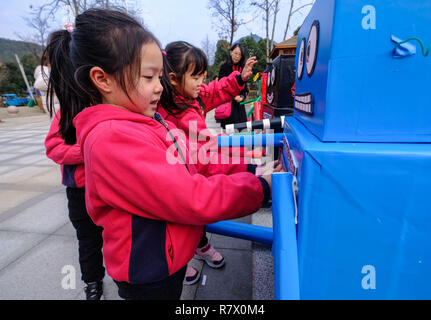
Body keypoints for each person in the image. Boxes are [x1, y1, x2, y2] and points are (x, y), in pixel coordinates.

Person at [44, 8, 274, 300]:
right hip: (151, 271)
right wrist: (261, 187)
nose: (159, 87)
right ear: (102, 79)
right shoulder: (113, 138)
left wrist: (251, 171)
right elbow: (191, 196)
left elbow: (192, 159)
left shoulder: (142, 122)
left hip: (167, 257)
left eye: (160, 77)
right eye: (149, 77)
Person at [158, 41, 258, 284]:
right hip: (179, 177)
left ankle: (199, 247)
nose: (202, 81)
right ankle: (178, 262)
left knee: (194, 219)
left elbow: (214, 90)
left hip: (191, 170)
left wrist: (238, 79)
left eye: (203, 74)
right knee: (182, 219)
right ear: (173, 78)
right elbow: (206, 158)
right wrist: (250, 170)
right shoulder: (171, 114)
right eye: (197, 76)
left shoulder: (190, 95)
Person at [45, 109, 105, 300]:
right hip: (80, 190)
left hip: (111, 186)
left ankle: (128, 280)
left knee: (125, 236)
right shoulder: (67, 110)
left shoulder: (112, 102)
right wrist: (88, 151)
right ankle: (93, 282)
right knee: (88, 241)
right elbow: (53, 147)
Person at [216, 43, 249, 128]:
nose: (237, 56)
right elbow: (221, 86)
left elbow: (245, 88)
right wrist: (234, 96)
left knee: (241, 134)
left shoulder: (243, 68)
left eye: (239, 54)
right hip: (228, 106)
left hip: (240, 106)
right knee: (228, 134)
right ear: (231, 52)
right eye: (235, 53)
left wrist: (242, 97)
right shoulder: (224, 67)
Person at [34, 52, 60, 119]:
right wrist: (59, 86)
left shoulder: (46, 70)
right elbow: (40, 84)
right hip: (55, 105)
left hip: (54, 104)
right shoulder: (44, 70)